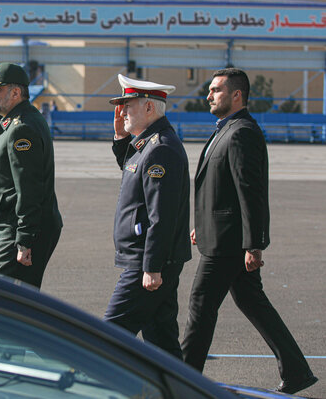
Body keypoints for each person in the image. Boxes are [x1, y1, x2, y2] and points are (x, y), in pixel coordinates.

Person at [181, 68, 317, 394]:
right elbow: (221, 188)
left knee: (200, 305)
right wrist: (202, 222)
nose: (209, 95)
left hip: (228, 244)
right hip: (221, 236)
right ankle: (296, 371)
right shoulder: (226, 130)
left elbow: (249, 190)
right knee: (253, 302)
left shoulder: (242, 132)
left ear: (236, 95)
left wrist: (254, 244)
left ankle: (183, 378)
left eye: (216, 90)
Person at [102, 74, 191, 359]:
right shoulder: (148, 144)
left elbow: (161, 215)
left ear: (150, 108)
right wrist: (120, 138)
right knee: (162, 343)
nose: (123, 111)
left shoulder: (160, 148)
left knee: (107, 337)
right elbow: (132, 169)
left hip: (147, 262)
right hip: (149, 259)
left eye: (128, 105)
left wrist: (152, 267)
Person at [0, 62, 62, 288]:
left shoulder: (22, 127)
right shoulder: (22, 119)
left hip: (21, 227)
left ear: (15, 92)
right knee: (20, 301)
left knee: (7, 299)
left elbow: (29, 188)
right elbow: (6, 133)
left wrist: (24, 239)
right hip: (22, 224)